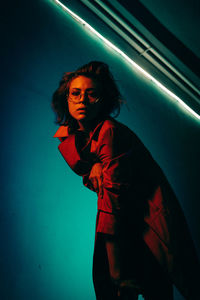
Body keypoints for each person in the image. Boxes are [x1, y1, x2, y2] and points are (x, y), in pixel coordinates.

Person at [52, 61, 199, 299]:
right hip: (123, 222)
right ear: (66, 98)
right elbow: (90, 174)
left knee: (140, 286)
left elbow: (113, 202)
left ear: (103, 99)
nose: (82, 100)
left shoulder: (109, 131)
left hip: (145, 225)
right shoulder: (74, 134)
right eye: (75, 93)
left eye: (92, 94)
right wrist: (96, 165)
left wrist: (118, 272)